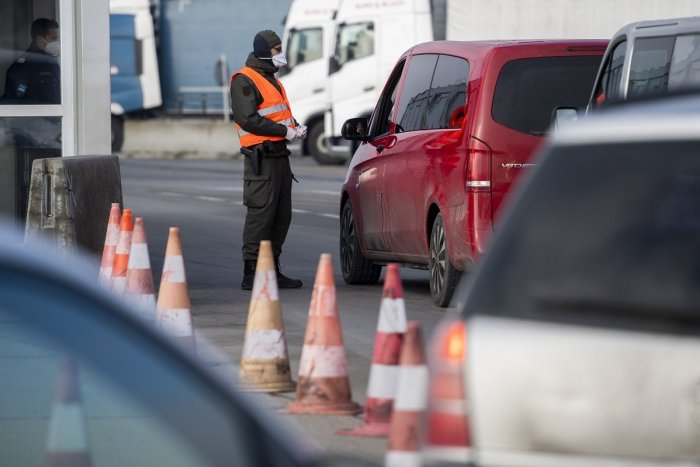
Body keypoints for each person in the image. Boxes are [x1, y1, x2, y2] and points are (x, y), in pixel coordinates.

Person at [230, 29, 307, 290]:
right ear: (264, 51)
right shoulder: (245, 79)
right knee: (261, 215)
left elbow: (277, 114)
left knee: (281, 216)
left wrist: (295, 127)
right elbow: (247, 118)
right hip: (260, 159)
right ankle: (251, 273)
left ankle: (272, 270)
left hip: (279, 156)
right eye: (277, 49)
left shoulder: (271, 78)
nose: (281, 54)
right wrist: (285, 131)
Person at [2, 18, 60, 104]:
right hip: (36, 116)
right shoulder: (23, 67)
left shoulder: (51, 62)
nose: (57, 42)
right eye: (53, 38)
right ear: (40, 39)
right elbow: (14, 103)